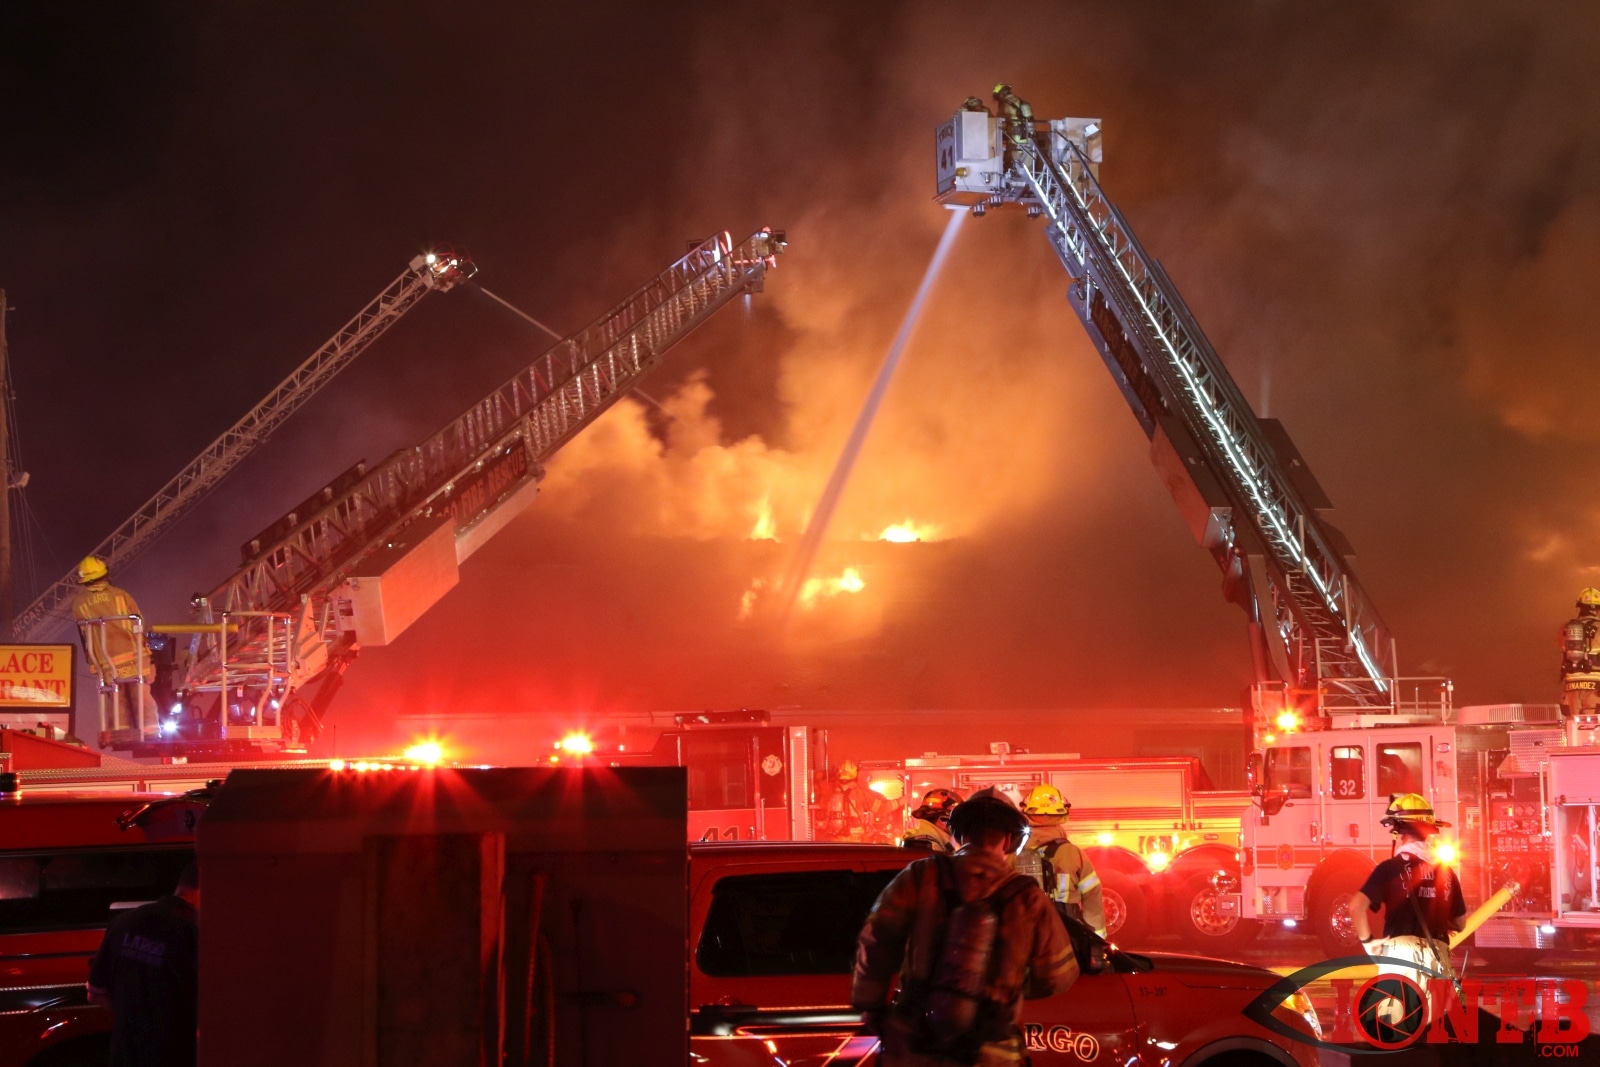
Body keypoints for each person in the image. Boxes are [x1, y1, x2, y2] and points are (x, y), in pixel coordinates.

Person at [852, 791, 1078, 1067]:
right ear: (1009, 839)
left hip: (913, 1048)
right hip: (991, 1054)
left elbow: (876, 941)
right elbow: (1057, 976)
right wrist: (1007, 983)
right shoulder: (1026, 896)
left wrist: (871, 1004)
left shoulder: (920, 875)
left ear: (958, 833)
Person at [1349, 794, 1465, 1029]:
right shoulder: (1447, 872)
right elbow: (1460, 923)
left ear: (1399, 832)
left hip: (1400, 957)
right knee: (1438, 1036)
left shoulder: (1389, 869)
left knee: (1397, 1034)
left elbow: (1356, 906)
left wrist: (1369, 943)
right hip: (1438, 957)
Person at [88, 859, 201, 1067]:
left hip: (124, 1055)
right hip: (173, 1058)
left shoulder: (123, 921)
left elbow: (94, 993)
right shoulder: (195, 934)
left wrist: (135, 1021)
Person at [72, 555, 156, 739]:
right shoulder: (121, 595)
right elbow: (140, 622)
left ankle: (120, 734)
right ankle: (150, 732)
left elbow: (84, 633)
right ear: (105, 575)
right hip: (134, 655)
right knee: (141, 695)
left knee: (117, 698)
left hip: (106, 660)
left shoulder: (79, 604)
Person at [1017, 784, 1106, 937]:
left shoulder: (1013, 851)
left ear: (1026, 813)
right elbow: (1092, 896)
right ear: (1062, 815)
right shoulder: (1073, 853)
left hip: (1024, 931)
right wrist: (1098, 937)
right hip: (1066, 930)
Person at [1558, 588, 1600, 745]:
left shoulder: (1565, 628)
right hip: (1596, 687)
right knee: (1595, 729)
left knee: (1573, 729)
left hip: (1571, 687)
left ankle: (1573, 757)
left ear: (1579, 607)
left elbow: (1560, 645)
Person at [824, 760, 885, 843]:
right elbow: (882, 808)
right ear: (856, 777)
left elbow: (823, 810)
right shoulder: (860, 794)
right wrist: (900, 801)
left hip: (835, 842)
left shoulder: (830, 794)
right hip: (855, 841)